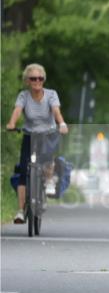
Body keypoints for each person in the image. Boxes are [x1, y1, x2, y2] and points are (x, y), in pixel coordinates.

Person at [5, 64, 69, 224]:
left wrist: (61, 123)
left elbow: (56, 111)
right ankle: (20, 211)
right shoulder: (23, 96)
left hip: (47, 134)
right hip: (29, 134)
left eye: (40, 78)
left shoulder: (51, 94)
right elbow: (18, 110)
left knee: (47, 159)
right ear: (27, 80)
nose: (37, 81)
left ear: (43, 80)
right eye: (33, 78)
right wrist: (12, 123)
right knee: (22, 171)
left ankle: (48, 181)